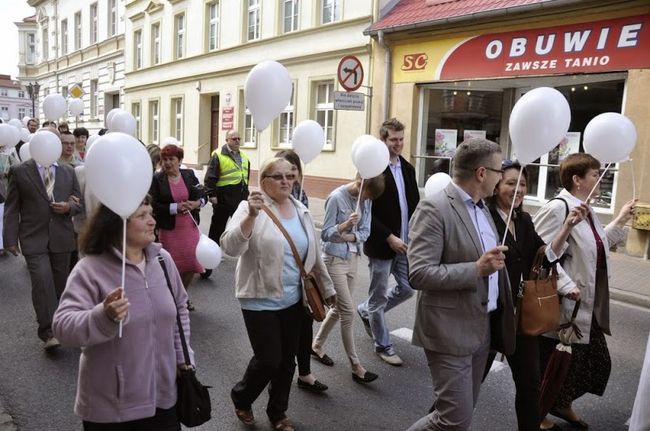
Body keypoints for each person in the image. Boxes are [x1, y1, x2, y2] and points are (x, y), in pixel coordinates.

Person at [52, 197, 194, 429]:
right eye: (142, 215)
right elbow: (62, 326)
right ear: (117, 224)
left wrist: (184, 358)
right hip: (112, 408)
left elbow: (180, 309)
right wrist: (102, 317)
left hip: (164, 399)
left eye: (151, 213)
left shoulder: (162, 260)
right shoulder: (90, 268)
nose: (152, 221)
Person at [406, 138, 516, 431]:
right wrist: (476, 268)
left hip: (482, 329)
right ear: (482, 173)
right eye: (498, 172)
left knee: (461, 419)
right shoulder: (434, 208)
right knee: (453, 419)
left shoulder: (483, 209)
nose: (500, 179)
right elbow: (418, 274)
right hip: (448, 328)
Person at [220, 158, 336, 431]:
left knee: (287, 362)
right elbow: (229, 247)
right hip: (259, 297)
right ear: (264, 181)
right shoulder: (249, 208)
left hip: (295, 299)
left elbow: (313, 257)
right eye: (278, 176)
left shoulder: (302, 210)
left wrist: (328, 289)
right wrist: (250, 216)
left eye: (291, 176)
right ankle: (242, 396)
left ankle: (278, 413)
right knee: (269, 359)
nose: (286, 181)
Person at [533, 152, 636, 430]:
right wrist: (566, 286)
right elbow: (540, 252)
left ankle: (562, 403)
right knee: (554, 362)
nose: (601, 178)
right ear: (577, 179)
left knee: (593, 364)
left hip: (587, 304)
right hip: (562, 304)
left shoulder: (586, 208)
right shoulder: (559, 208)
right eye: (595, 174)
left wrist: (622, 220)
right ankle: (538, 412)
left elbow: (597, 245)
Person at [486, 160, 588, 431]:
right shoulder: (484, 216)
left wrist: (566, 226)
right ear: (496, 185)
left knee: (530, 386)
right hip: (488, 314)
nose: (518, 189)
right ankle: (438, 422)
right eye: (510, 182)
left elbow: (545, 259)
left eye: (521, 183)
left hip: (520, 316)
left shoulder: (525, 219)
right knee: (466, 386)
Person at [3, 146, 83, 350]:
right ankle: (48, 332)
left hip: (62, 237)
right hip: (33, 238)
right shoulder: (20, 171)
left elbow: (78, 203)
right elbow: (12, 208)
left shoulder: (68, 171)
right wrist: (9, 239)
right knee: (41, 282)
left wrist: (68, 207)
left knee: (60, 285)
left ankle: (62, 324)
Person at [357, 118, 420, 366]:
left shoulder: (408, 168)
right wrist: (388, 236)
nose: (398, 144)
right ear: (383, 140)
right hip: (382, 245)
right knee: (378, 296)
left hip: (405, 244)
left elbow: (413, 204)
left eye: (401, 139)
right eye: (393, 140)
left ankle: (367, 311)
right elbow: (365, 211)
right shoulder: (373, 170)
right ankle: (383, 344)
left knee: (407, 288)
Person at [313, 174, 385, 383]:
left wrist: (351, 236)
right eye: (368, 194)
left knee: (338, 310)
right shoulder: (336, 197)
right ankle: (356, 366)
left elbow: (366, 231)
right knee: (348, 312)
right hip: (334, 259)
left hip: (352, 256)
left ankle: (316, 346)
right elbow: (325, 233)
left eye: (370, 197)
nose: (367, 199)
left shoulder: (368, 201)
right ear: (361, 184)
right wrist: (343, 226)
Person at [274, 149, 327, 392]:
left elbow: (310, 238)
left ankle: (304, 372)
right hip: (282, 277)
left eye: (293, 171)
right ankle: (280, 373)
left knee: (306, 326)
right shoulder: (270, 197)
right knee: (283, 339)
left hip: (304, 276)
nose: (289, 177)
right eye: (284, 172)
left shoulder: (302, 194)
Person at [150, 144, 204, 311]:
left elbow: (203, 194)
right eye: (164, 159)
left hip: (189, 228)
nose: (167, 163)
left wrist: (197, 203)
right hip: (169, 230)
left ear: (179, 160)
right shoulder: (157, 179)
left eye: (171, 159)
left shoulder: (189, 175)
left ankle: (183, 296)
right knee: (171, 267)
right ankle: (171, 298)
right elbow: (154, 205)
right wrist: (175, 208)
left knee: (191, 264)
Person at [202, 130, 250, 279]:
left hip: (240, 198)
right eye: (234, 138)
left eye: (238, 138)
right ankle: (208, 261)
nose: (237, 141)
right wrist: (211, 194)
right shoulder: (218, 155)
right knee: (217, 228)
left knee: (241, 229)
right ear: (227, 140)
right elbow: (210, 176)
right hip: (223, 198)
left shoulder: (244, 156)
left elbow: (246, 177)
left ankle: (244, 256)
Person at [0, 146, 20, 256]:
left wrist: (8, 173)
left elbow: (16, 166)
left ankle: (3, 244)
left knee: (3, 215)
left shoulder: (7, 155)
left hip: (4, 189)